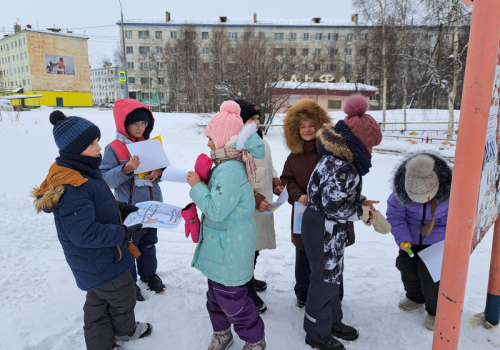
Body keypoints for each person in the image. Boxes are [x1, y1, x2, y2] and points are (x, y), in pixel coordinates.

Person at [31, 110, 152, 350]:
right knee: (123, 298)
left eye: (97, 141)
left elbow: (95, 205)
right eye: (92, 144)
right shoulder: (73, 185)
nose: (99, 148)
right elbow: (84, 233)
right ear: (75, 149)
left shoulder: (79, 171)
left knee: (98, 303)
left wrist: (121, 208)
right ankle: (126, 331)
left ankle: (101, 344)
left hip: (92, 264)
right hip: (103, 260)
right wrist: (124, 234)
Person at [302, 95, 382, 350]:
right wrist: (362, 212)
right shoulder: (342, 166)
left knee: (332, 277)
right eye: (369, 146)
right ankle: (316, 331)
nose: (371, 152)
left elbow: (337, 196)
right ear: (357, 144)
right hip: (323, 228)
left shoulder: (338, 160)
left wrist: (361, 202)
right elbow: (334, 206)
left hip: (328, 228)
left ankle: (332, 321)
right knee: (324, 281)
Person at [187, 101, 267, 350]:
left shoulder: (230, 170)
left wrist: (196, 187)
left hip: (228, 250)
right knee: (215, 297)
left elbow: (216, 210)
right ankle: (222, 333)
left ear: (223, 138)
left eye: (211, 138)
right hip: (222, 249)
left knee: (234, 302)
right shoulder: (225, 165)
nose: (209, 144)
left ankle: (255, 340)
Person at [101, 99, 166, 300]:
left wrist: (159, 171)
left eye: (143, 124)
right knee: (129, 246)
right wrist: (126, 169)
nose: (140, 128)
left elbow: (162, 170)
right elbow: (106, 178)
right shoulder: (114, 148)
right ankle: (129, 282)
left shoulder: (150, 145)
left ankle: (148, 274)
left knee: (148, 243)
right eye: (135, 124)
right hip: (130, 209)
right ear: (124, 124)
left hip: (152, 206)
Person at [386, 151, 452, 331]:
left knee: (429, 273)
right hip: (410, 238)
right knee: (405, 265)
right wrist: (403, 239)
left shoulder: (450, 195)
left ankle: (434, 310)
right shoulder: (398, 195)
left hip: (437, 240)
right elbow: (395, 217)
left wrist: (445, 241)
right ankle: (415, 297)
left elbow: (455, 221)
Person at [233, 99, 284, 314]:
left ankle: (249, 278)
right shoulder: (235, 144)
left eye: (258, 119)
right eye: (250, 119)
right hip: (245, 206)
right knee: (244, 248)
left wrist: (275, 181)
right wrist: (253, 196)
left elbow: (269, 166)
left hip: (262, 204)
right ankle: (245, 287)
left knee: (255, 246)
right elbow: (234, 177)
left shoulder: (261, 142)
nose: (256, 123)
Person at [280, 98, 332, 308]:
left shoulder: (331, 153)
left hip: (329, 214)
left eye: (312, 125)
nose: (308, 130)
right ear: (296, 130)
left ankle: (332, 292)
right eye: (303, 126)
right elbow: (286, 180)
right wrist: (297, 194)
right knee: (303, 254)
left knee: (330, 254)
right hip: (303, 214)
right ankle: (303, 292)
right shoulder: (294, 156)